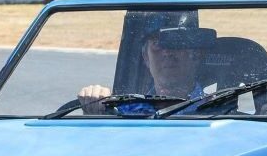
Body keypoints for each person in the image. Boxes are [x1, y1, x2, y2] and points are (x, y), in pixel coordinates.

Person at [77, 12, 212, 114]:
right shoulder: (125, 110)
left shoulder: (218, 109)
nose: (167, 52)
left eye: (176, 42)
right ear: (146, 57)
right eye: (157, 43)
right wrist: (95, 108)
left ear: (196, 54)